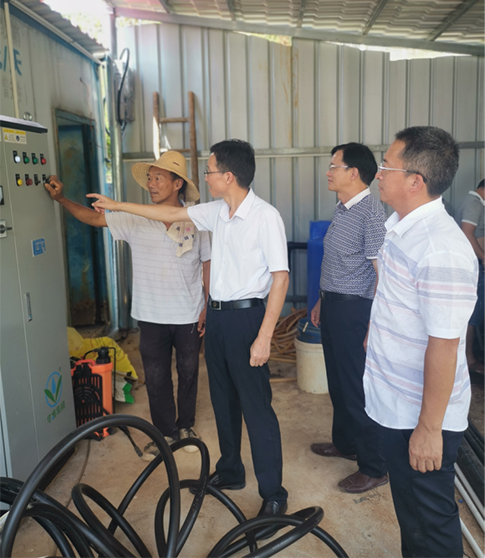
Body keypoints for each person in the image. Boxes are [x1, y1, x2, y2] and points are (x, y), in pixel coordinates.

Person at [88, 139, 290, 519]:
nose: (206, 177)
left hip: (247, 320)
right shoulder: (216, 212)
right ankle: (231, 470)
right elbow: (166, 213)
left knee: (256, 408)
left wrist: (264, 336)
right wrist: (116, 205)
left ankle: (273, 494)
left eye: (210, 171)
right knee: (224, 401)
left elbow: (280, 278)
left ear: (228, 176)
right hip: (217, 318)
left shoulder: (266, 217)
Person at [45, 151, 211, 459]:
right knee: (157, 377)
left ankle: (186, 426)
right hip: (150, 314)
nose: (151, 184)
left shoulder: (196, 219)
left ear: (177, 184)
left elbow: (207, 263)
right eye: (149, 178)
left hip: (189, 312)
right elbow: (94, 218)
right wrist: (62, 199)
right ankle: (165, 433)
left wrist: (207, 305)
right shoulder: (135, 216)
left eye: (158, 178)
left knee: (189, 372)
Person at [364, 126, 478, 558]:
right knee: (412, 513)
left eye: (386, 166)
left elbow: (445, 345)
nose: (378, 174)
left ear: (415, 181)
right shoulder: (403, 228)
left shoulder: (441, 249)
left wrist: (429, 430)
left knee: (430, 521)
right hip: (397, 403)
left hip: (420, 415)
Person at [310, 143, 388, 493]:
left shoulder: (370, 212)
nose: (328, 172)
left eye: (334, 166)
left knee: (356, 388)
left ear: (353, 173)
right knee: (339, 383)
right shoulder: (343, 208)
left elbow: (382, 274)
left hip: (355, 311)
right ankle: (345, 443)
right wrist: (321, 300)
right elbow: (339, 263)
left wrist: (374, 323)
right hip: (334, 306)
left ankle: (374, 466)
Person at [455, 179, 484, 375]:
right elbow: (467, 233)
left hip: (478, 265)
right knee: (472, 315)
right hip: (476, 267)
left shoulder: (476, 204)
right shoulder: (474, 203)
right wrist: (483, 257)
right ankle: (469, 359)